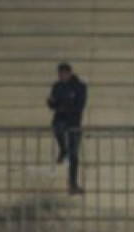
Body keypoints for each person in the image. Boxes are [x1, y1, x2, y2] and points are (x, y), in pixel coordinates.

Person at [46, 63, 86, 195]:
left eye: (63, 74)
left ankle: (72, 184)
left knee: (74, 155)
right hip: (61, 121)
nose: (61, 77)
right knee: (58, 129)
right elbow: (53, 104)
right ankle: (63, 149)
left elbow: (79, 106)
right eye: (59, 74)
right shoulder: (57, 86)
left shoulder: (79, 87)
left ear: (69, 73)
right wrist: (51, 102)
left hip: (73, 123)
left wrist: (64, 108)